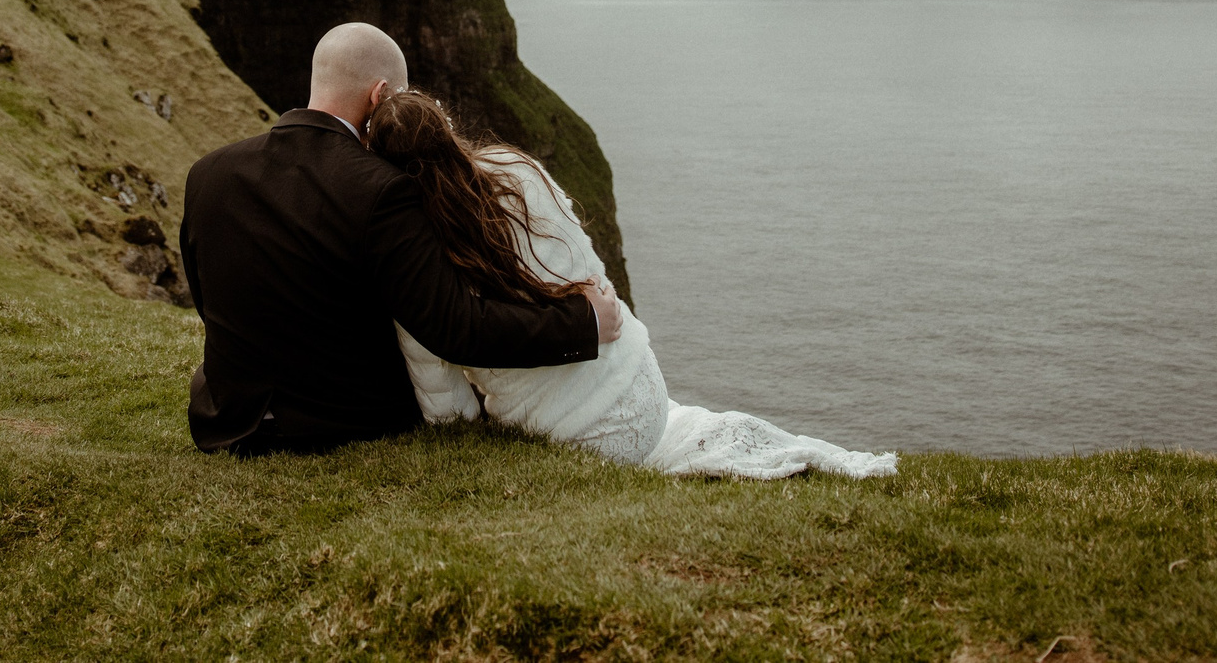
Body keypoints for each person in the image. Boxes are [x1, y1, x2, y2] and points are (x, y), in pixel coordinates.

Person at [369, 89, 897, 481]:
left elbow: (443, 395)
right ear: (446, 126)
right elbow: (588, 273)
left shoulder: (415, 262)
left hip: (578, 437)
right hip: (641, 386)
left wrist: (467, 426)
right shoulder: (516, 169)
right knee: (685, 425)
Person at [179, 21, 624, 454]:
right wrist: (584, 323)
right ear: (381, 94)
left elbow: (208, 299)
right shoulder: (382, 190)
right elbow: (455, 327)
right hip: (340, 424)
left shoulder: (208, 173)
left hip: (228, 419)